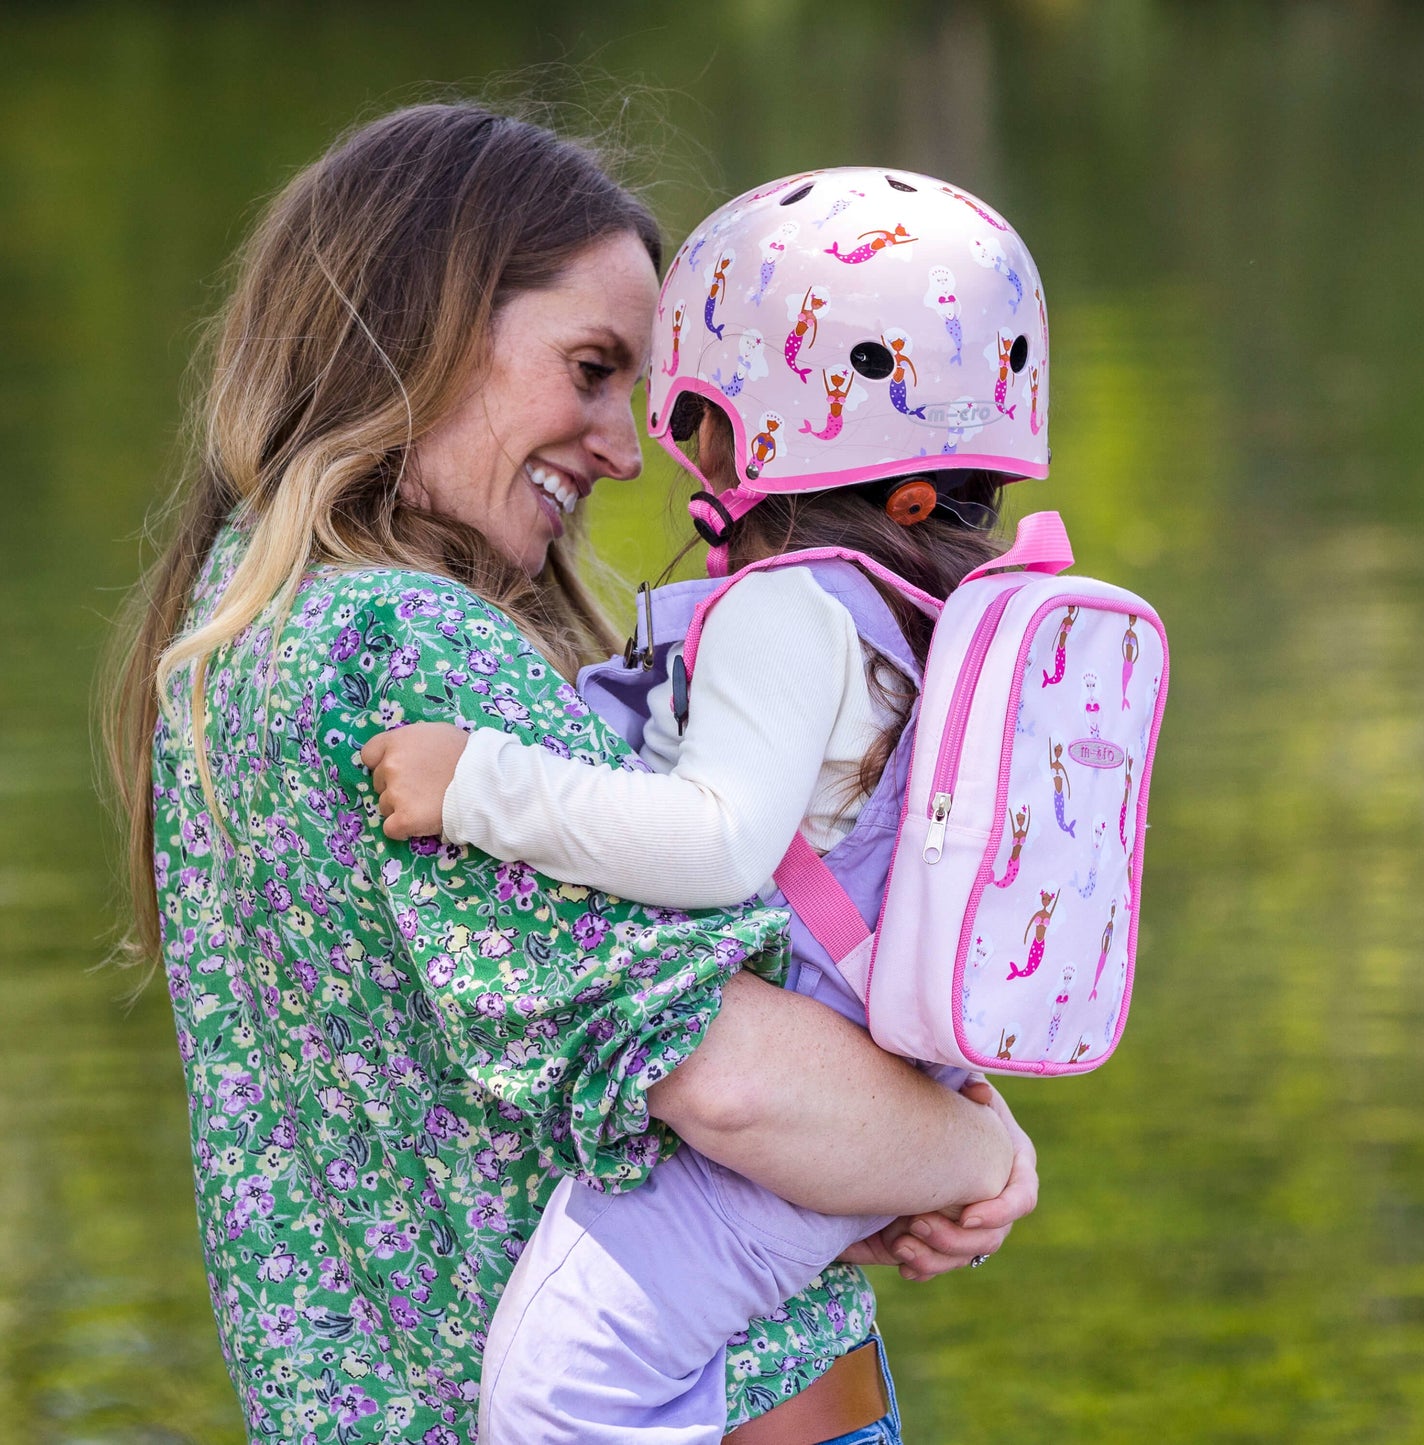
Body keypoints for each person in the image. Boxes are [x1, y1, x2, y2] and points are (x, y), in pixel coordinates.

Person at [103, 108, 1036, 1445]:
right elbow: (726, 1081)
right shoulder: (405, 642)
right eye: (593, 368)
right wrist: (976, 1152)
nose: (626, 445)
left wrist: (874, 1154)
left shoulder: (236, 627)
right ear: (411, 326)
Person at [362, 167, 1049, 1444]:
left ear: (751, 416)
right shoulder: (925, 616)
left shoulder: (790, 608)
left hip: (787, 1119)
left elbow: (718, 842)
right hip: (872, 1105)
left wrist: (479, 784)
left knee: (557, 1390)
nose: (648, 434)